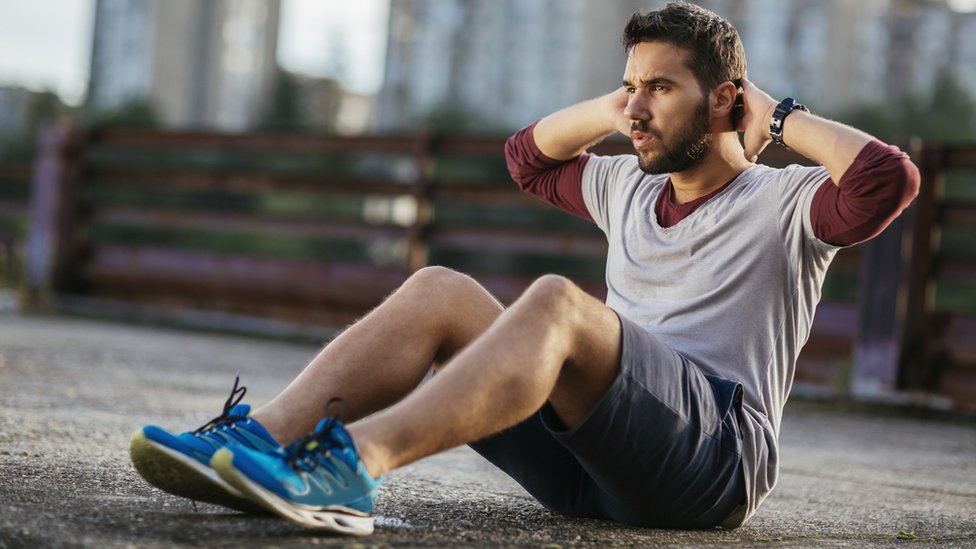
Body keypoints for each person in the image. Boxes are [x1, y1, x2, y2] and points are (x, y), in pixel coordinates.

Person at [129, 2, 920, 536]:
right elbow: (527, 158)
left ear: (725, 100)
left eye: (661, 89)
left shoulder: (785, 204)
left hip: (712, 464)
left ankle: (348, 466)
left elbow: (888, 181)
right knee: (441, 288)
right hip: (594, 469)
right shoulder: (625, 184)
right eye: (630, 86)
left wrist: (777, 118)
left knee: (557, 303)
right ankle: (254, 443)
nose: (636, 109)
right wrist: (621, 108)